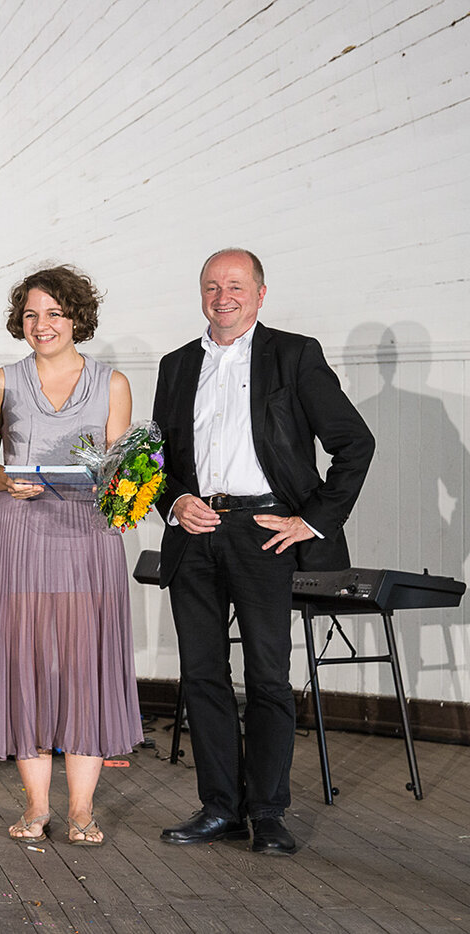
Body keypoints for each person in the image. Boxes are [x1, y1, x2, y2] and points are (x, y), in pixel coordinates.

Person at [152, 248, 374, 856]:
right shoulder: (175, 366)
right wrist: (174, 503)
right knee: (202, 675)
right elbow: (159, 462)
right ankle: (220, 807)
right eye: (211, 286)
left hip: (265, 531)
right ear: (200, 293)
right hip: (195, 532)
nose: (223, 296)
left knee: (269, 677)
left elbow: (354, 443)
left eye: (235, 285)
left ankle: (269, 811)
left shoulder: (293, 355)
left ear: (260, 293)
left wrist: (313, 521)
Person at [0, 266, 143, 847]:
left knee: (85, 663)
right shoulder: (1, 380)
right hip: (20, 532)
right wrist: (2, 481)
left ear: (77, 318)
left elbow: (124, 465)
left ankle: (83, 809)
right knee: (27, 663)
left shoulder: (112, 383)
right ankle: (37, 806)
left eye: (55, 313)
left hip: (90, 535)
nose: (43, 325)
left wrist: (125, 484)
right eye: (32, 314)